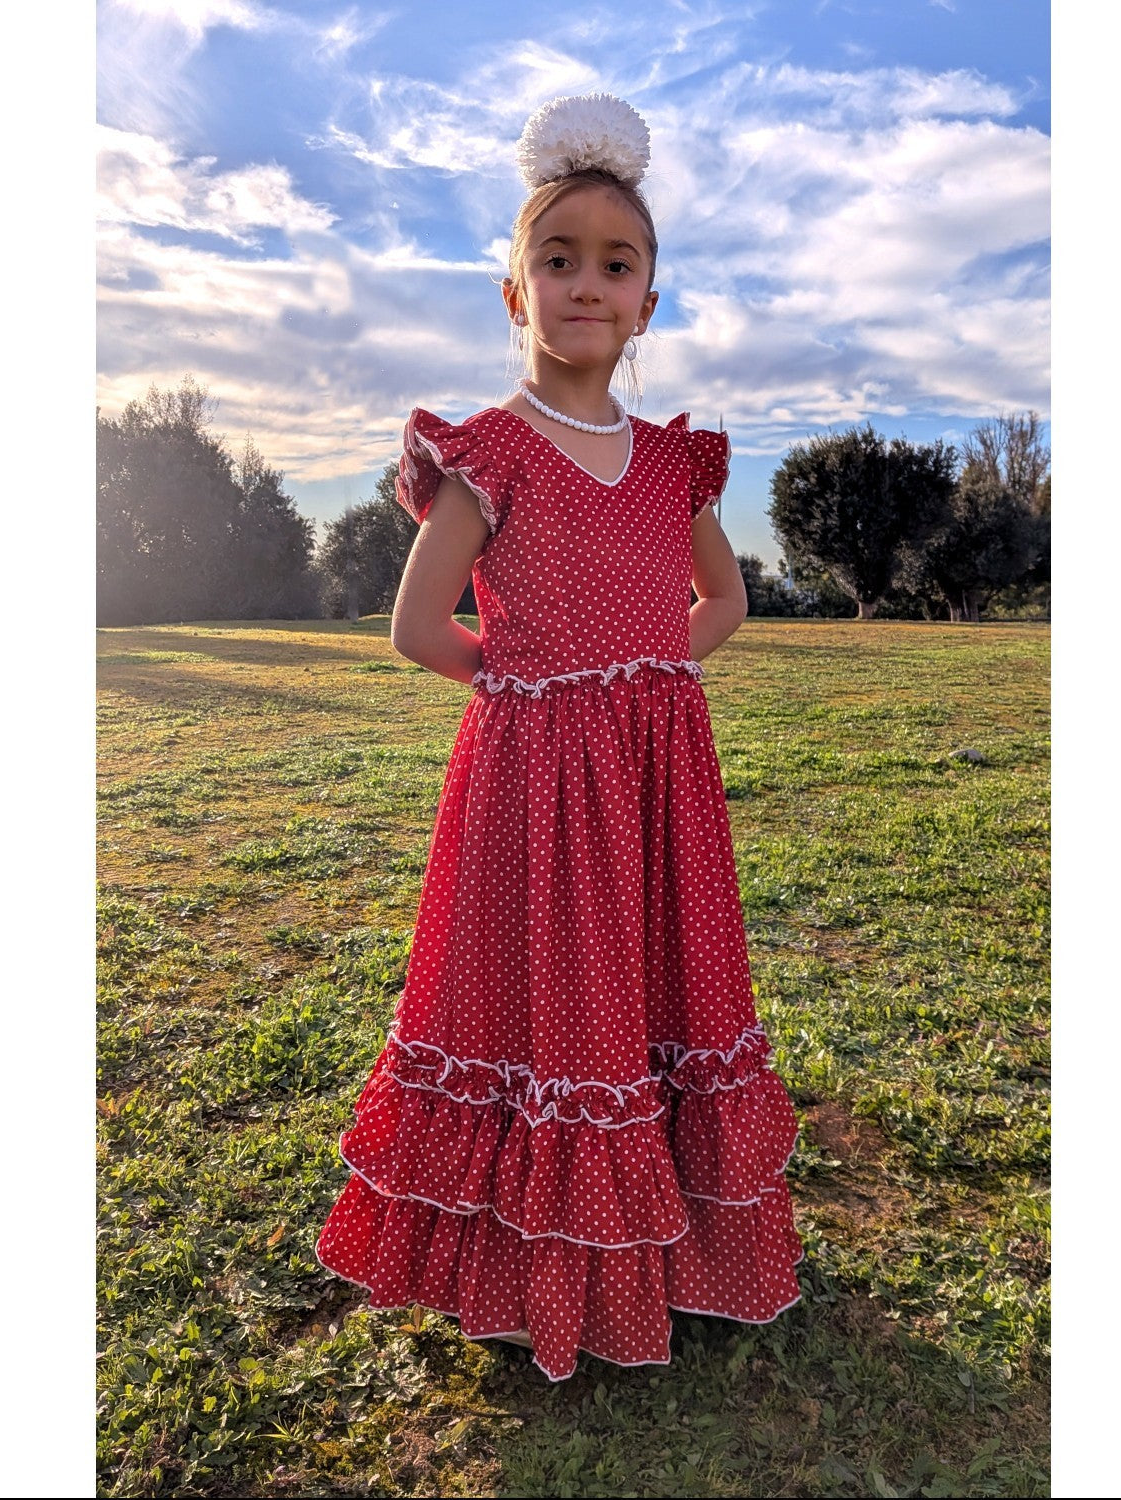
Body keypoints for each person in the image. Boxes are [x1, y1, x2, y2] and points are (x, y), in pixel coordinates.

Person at [315, 93, 805, 1383]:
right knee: (541, 1003)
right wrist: (538, 684)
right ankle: (530, 1268)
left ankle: (678, 1252)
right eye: (559, 258)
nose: (586, 283)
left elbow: (727, 601)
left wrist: (641, 680)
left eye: (616, 263)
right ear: (512, 290)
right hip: (532, 781)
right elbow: (422, 626)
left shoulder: (669, 465)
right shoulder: (491, 456)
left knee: (652, 991)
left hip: (654, 779)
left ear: (649, 303)